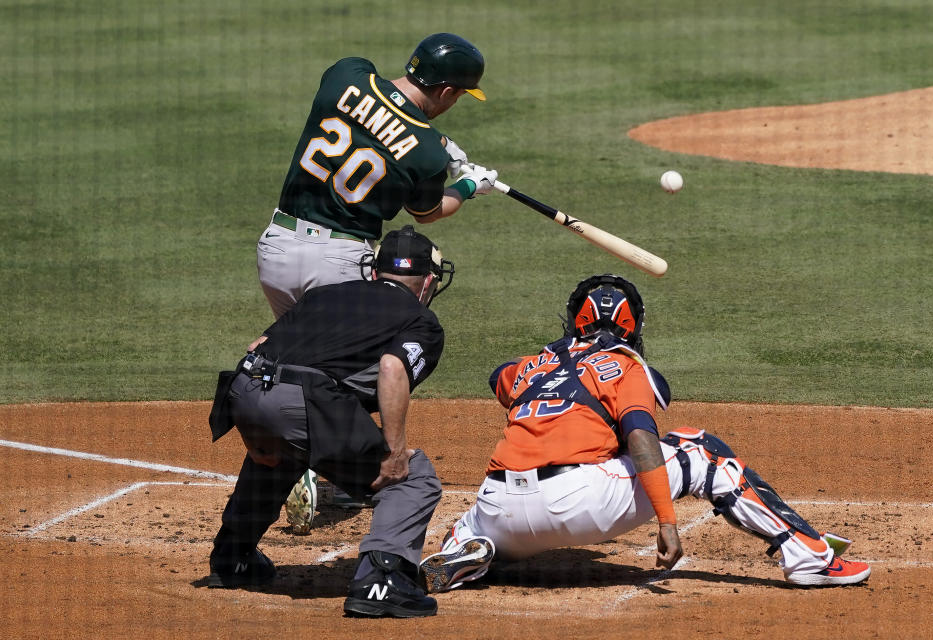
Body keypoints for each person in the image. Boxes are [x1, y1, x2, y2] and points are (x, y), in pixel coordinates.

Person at [418, 274, 872, 592]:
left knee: (478, 524)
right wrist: (667, 523)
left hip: (497, 507)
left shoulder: (531, 365)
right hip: (579, 503)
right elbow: (640, 439)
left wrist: (548, 364)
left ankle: (467, 550)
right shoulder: (625, 366)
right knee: (703, 450)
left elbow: (498, 377)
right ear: (633, 328)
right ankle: (812, 559)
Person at [257, 32, 498, 530]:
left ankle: (303, 460)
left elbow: (375, 113)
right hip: (340, 260)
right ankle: (333, 467)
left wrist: (434, 143)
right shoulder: (427, 155)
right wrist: (471, 185)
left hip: (276, 249)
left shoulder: (347, 71)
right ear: (450, 92)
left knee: (304, 360)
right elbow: (428, 212)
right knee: (361, 375)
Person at [207, 226, 455, 618]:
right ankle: (381, 582)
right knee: (413, 476)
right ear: (427, 281)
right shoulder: (421, 320)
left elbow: (257, 349)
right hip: (301, 404)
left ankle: (232, 557)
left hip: (242, 388)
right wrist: (393, 454)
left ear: (374, 272)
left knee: (284, 450)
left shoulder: (324, 295)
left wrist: (256, 426)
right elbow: (392, 369)